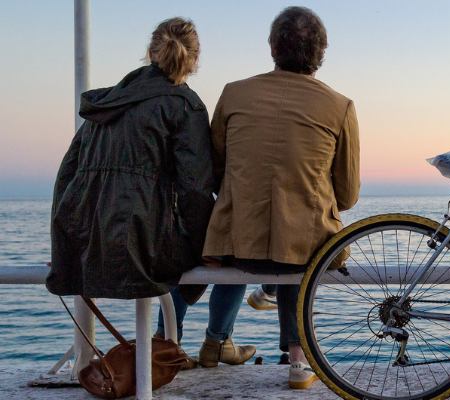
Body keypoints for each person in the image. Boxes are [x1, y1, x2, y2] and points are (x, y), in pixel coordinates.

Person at [165, 6, 360, 388]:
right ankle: (299, 362)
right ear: (321, 52)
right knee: (301, 246)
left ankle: (200, 339)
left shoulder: (234, 94)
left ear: (272, 47)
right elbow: (348, 194)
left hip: (235, 244)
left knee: (261, 237)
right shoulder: (340, 106)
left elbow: (214, 167)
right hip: (302, 249)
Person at [48, 18, 214, 302]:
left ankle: (167, 336)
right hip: (143, 246)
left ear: (151, 52)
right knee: (235, 257)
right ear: (195, 59)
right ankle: (210, 339)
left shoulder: (109, 102)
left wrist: (64, 250)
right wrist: (209, 252)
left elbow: (66, 177)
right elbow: (195, 192)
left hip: (86, 245)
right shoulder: (186, 106)